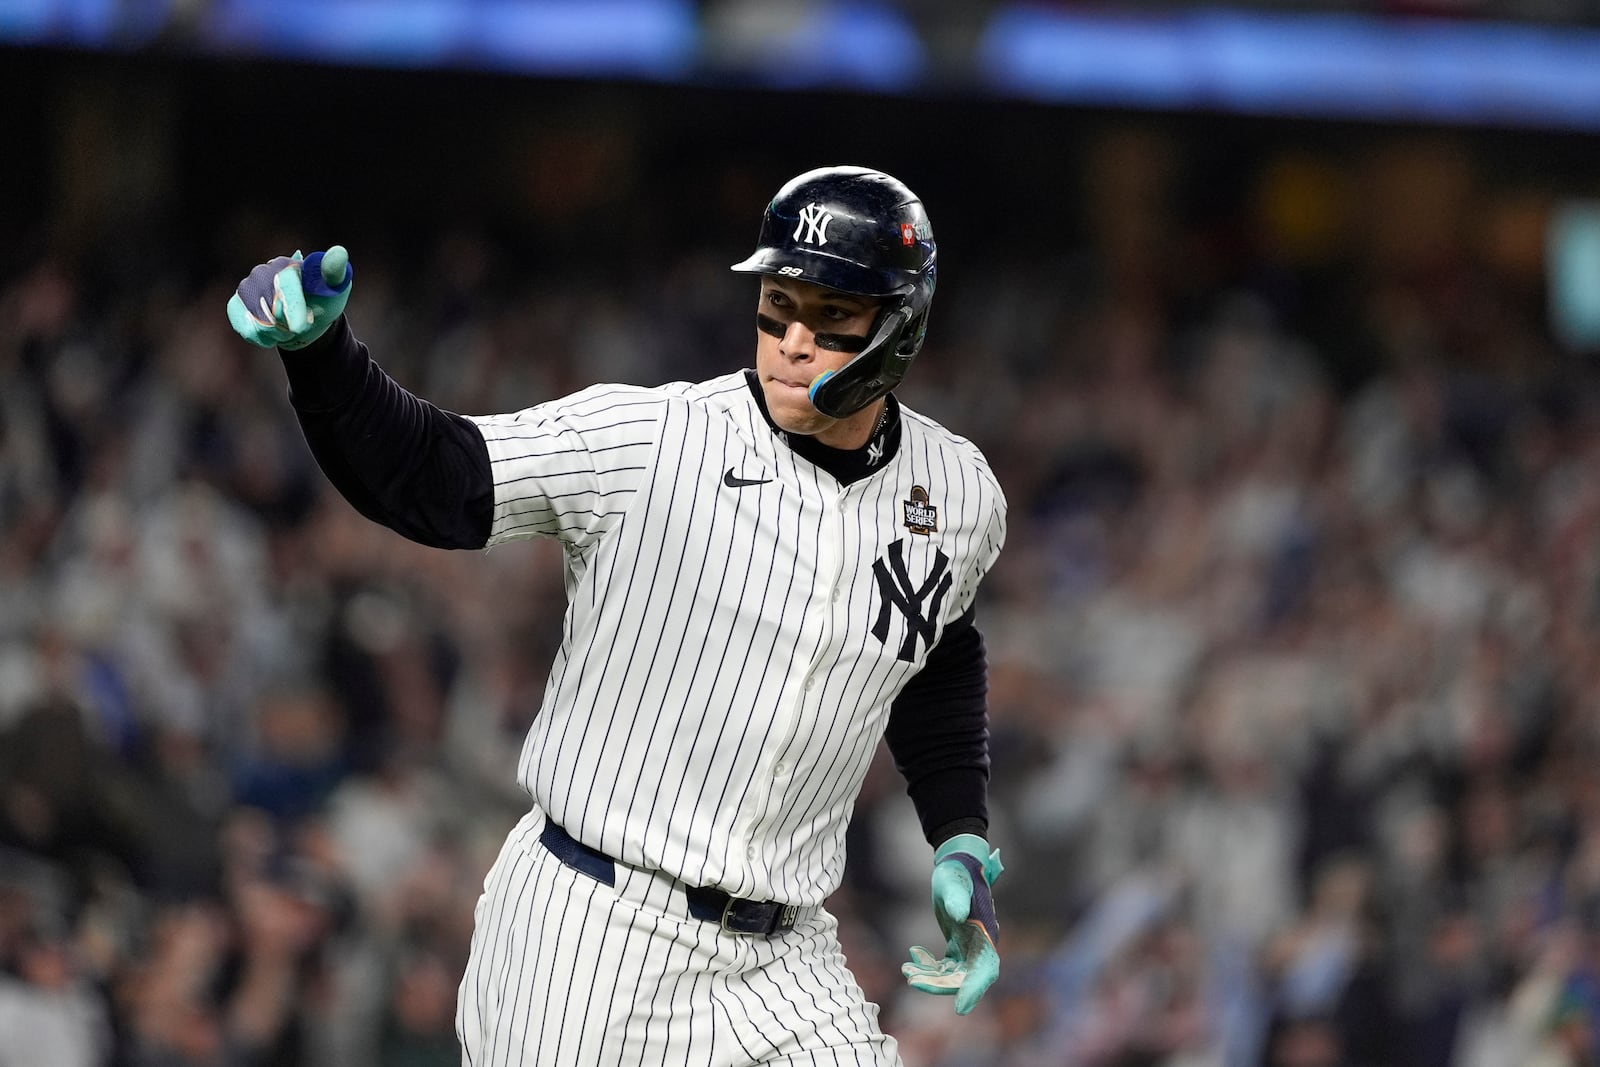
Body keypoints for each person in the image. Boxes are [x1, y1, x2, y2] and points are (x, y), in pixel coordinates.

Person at [226, 165, 1008, 1066]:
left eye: (833, 317)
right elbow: (435, 477)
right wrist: (325, 360)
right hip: (592, 930)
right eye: (778, 303)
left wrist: (958, 833)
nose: (794, 339)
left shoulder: (956, 490)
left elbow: (938, 650)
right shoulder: (652, 440)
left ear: (902, 327)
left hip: (785, 956)